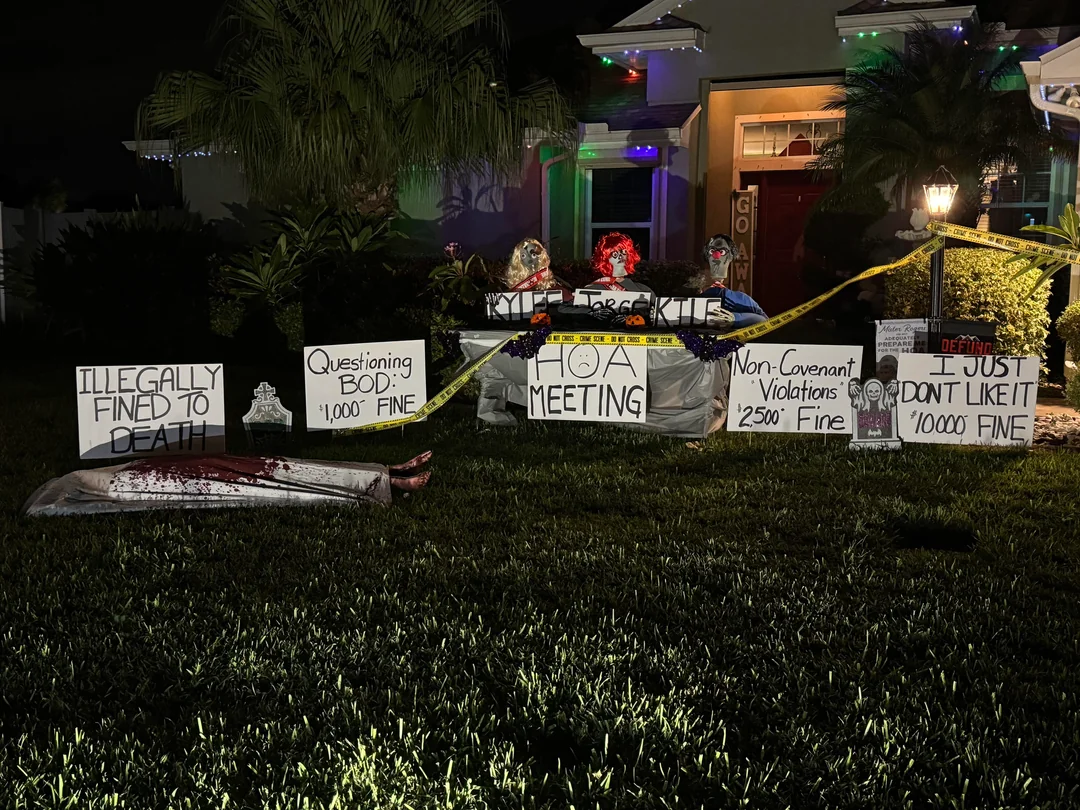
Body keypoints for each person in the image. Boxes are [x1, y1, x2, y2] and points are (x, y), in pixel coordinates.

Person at [694, 234, 767, 331]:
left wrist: (735, 318)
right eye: (712, 251)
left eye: (722, 252)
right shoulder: (695, 298)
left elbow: (765, 322)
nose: (717, 256)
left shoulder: (741, 299)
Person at [504, 238, 571, 299]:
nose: (529, 258)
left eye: (533, 254)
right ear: (518, 260)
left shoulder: (556, 289)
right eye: (523, 255)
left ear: (541, 257)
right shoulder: (511, 296)